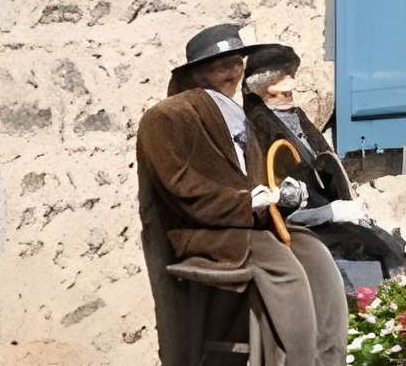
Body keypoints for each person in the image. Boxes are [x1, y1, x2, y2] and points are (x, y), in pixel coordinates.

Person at [137, 23, 348, 366]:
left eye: (236, 63)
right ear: (198, 73)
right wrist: (246, 202)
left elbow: (257, 175)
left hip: (251, 223)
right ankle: (299, 361)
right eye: (222, 66)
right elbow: (180, 189)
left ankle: (330, 358)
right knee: (285, 270)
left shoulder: (239, 116)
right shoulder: (167, 118)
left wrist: (281, 192)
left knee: (316, 255)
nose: (232, 73)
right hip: (206, 232)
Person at [240, 44, 406, 285]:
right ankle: (369, 315)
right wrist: (327, 213)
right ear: (263, 94)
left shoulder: (296, 118)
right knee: (369, 252)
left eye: (289, 91)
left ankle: (395, 312)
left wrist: (345, 209)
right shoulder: (259, 133)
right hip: (301, 231)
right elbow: (276, 204)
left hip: (328, 219)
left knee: (387, 243)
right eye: (279, 93)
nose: (287, 97)